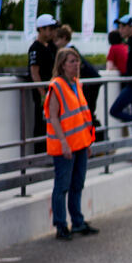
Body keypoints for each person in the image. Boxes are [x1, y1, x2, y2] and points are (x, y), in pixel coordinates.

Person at [45, 48, 99, 240]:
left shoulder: (77, 84)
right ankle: (60, 225)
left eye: (77, 61)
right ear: (62, 65)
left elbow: (84, 116)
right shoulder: (57, 86)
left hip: (81, 143)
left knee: (77, 185)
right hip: (65, 146)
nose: (76, 65)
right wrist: (63, 143)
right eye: (72, 62)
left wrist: (88, 142)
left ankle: (77, 222)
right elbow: (53, 117)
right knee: (62, 186)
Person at [28, 14, 58, 154]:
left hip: (53, 90)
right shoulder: (35, 48)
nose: (52, 32)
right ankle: (39, 153)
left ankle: (51, 151)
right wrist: (42, 94)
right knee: (41, 123)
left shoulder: (51, 46)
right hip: (43, 93)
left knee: (53, 122)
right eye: (49, 28)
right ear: (41, 29)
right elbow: (35, 72)